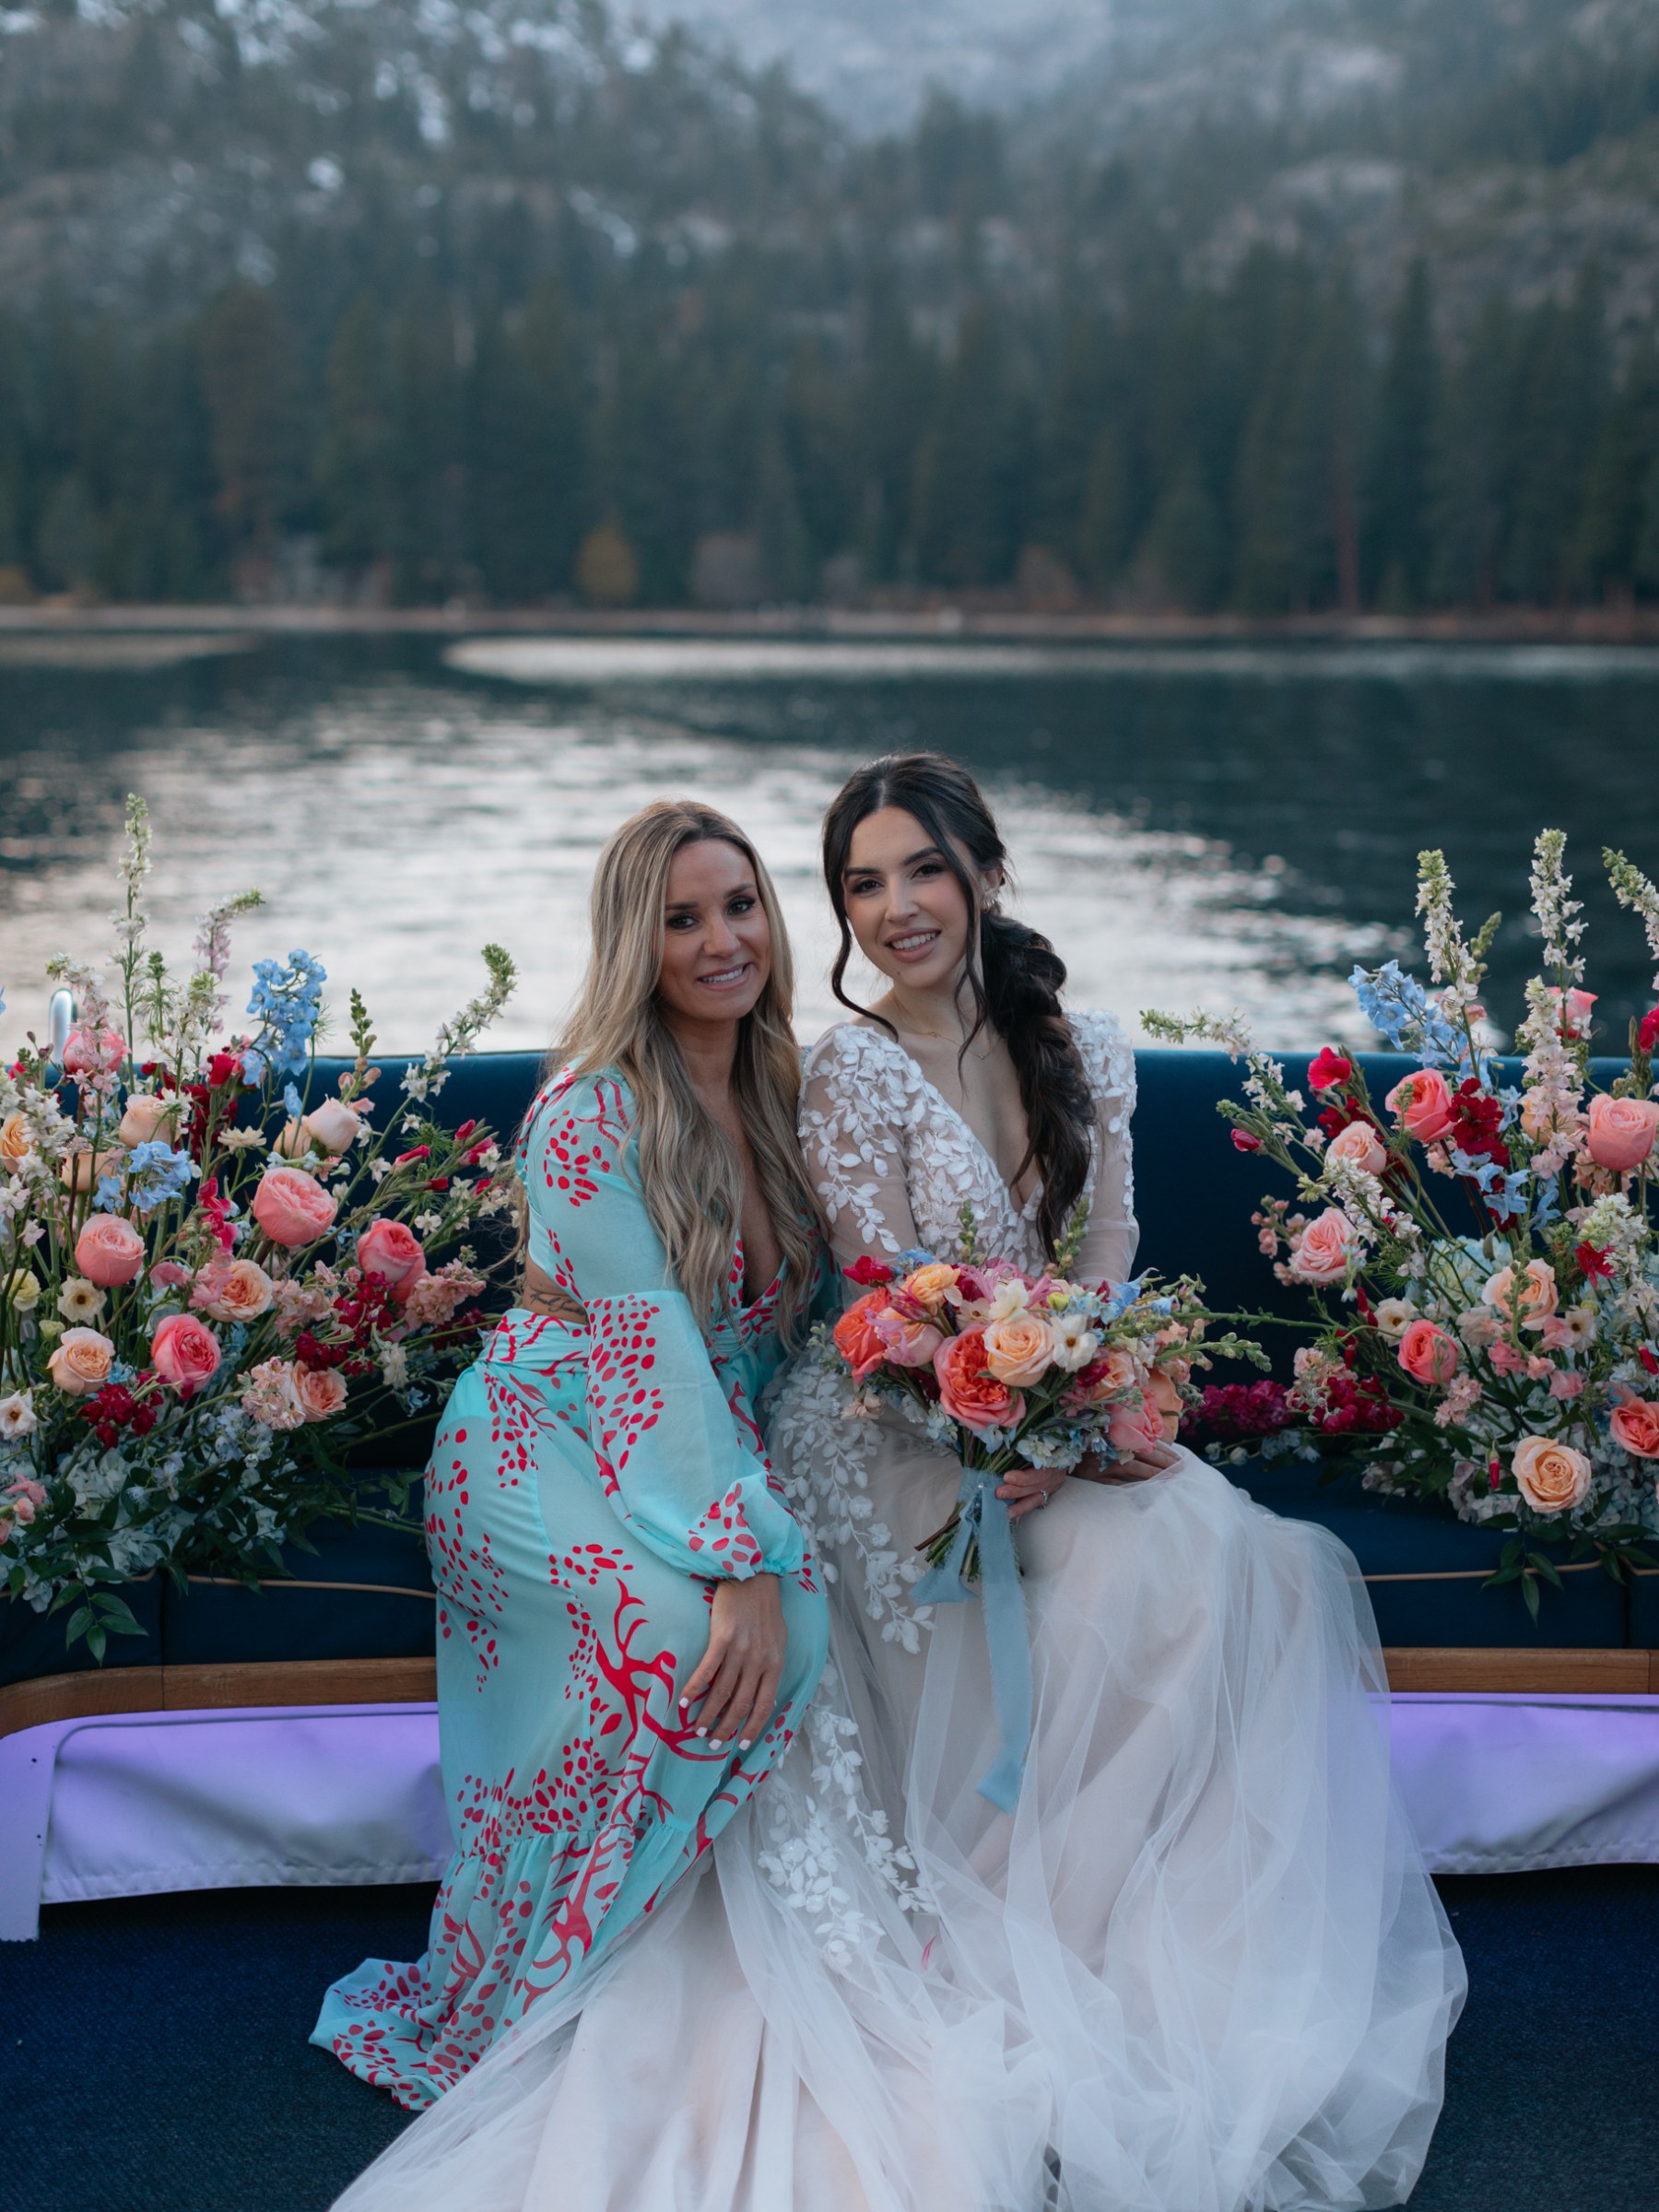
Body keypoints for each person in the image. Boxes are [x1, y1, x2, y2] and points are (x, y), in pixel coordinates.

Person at [762, 751, 1466, 2209]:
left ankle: (1097, 1949)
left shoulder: (1089, 1048)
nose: (896, 910)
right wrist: (988, 1438)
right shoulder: (850, 1072)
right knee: (1120, 1577)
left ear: (986, 871)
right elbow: (887, 1302)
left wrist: (1085, 1408)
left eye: (922, 871)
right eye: (862, 885)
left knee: (1252, 1565)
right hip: (884, 1422)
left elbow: (1106, 1261)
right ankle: (996, 1939)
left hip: (1045, 1403)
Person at [312, 799, 830, 2109]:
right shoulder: (590, 1116)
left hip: (685, 1439)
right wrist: (739, 1558)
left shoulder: (781, 1091)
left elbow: (766, 1352)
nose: (724, 941)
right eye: (682, 919)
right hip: (541, 1434)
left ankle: (682, 1953)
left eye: (741, 905)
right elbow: (647, 1347)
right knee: (680, 1636)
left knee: (808, 1622)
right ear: (632, 944)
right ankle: (523, 1987)